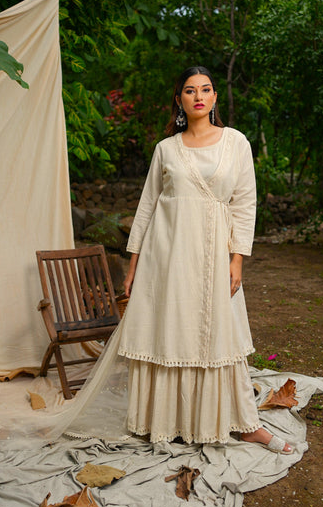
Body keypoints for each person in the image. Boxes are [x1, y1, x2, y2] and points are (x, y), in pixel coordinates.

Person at [116, 66, 293, 454]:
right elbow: (147, 208)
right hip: (167, 256)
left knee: (220, 333)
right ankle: (166, 422)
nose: (199, 96)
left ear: (214, 98)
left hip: (215, 254)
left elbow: (245, 204)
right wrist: (132, 268)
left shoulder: (236, 143)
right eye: (190, 90)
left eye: (206, 89)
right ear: (179, 100)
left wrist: (238, 259)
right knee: (170, 331)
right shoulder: (166, 148)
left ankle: (245, 424)